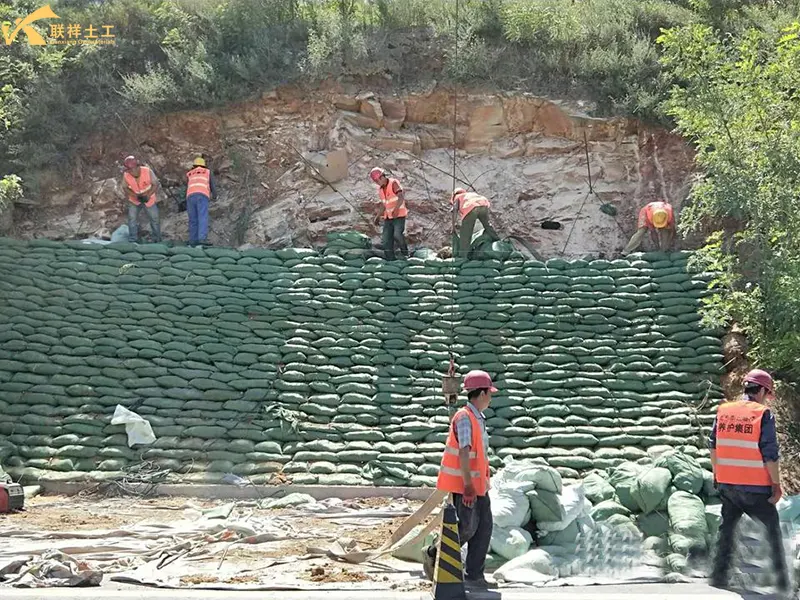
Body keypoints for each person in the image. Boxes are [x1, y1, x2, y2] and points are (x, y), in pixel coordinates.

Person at [708, 369, 789, 592]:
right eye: (767, 393)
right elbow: (770, 454)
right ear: (762, 390)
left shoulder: (724, 410)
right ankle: (782, 583)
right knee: (771, 531)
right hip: (755, 487)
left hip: (728, 484)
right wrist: (776, 484)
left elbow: (713, 445)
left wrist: (717, 474)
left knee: (727, 530)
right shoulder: (762, 414)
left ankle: (719, 577)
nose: (766, 398)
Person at [423, 370, 495, 589]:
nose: (490, 397)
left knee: (484, 529)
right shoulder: (465, 418)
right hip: (466, 487)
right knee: (465, 528)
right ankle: (434, 553)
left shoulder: (478, 418)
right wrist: (468, 486)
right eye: (489, 393)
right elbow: (464, 453)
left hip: (479, 486)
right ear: (481, 393)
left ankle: (474, 575)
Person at [370, 167, 408, 261]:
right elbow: (384, 204)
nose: (377, 183)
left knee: (397, 235)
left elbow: (401, 197)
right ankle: (390, 260)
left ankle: (405, 254)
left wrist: (396, 209)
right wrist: (378, 216)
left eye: (378, 180)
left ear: (382, 177)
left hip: (399, 216)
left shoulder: (393, 183)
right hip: (388, 217)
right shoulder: (381, 190)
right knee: (386, 239)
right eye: (375, 182)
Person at [122, 155, 161, 243]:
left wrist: (148, 195)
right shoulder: (126, 175)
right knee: (132, 219)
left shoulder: (147, 171)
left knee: (155, 219)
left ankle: (157, 239)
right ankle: (133, 240)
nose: (130, 172)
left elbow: (155, 184)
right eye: (128, 170)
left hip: (148, 199)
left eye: (131, 170)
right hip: (134, 200)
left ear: (137, 166)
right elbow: (125, 187)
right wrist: (134, 195)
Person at [451, 188, 499, 259]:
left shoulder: (457, 197)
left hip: (471, 208)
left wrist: (453, 226)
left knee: (466, 233)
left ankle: (462, 256)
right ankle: (498, 241)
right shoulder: (470, 194)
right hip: (483, 205)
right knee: (488, 226)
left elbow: (455, 210)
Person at [185, 156, 217, 246]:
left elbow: (186, 186)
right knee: (202, 217)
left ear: (194, 166)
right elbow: (212, 185)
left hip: (190, 196)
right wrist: (215, 196)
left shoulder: (190, 173)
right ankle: (202, 239)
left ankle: (193, 240)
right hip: (202, 195)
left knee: (193, 219)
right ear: (204, 166)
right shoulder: (207, 172)